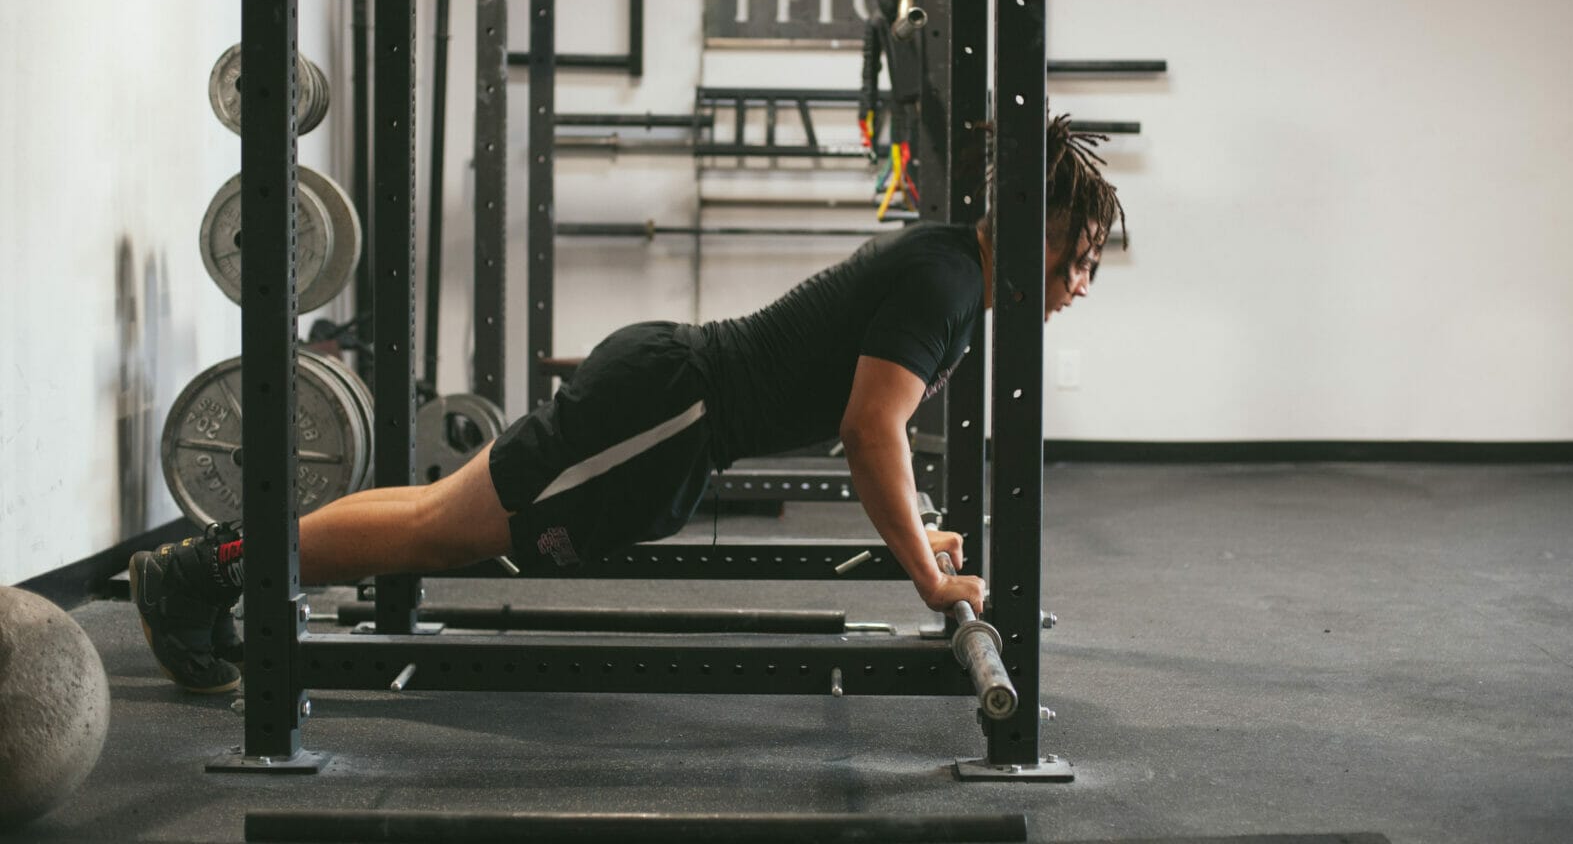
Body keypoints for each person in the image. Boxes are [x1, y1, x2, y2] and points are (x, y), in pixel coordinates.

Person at [131, 117, 1126, 692]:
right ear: (1038, 232)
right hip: (671, 410)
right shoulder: (950, 283)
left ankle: (214, 565)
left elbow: (881, 429)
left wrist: (918, 538)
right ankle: (206, 570)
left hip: (668, 397)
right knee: (442, 532)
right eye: (1078, 257)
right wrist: (926, 578)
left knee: (437, 523)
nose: (1083, 282)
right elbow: (871, 435)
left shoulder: (955, 272)